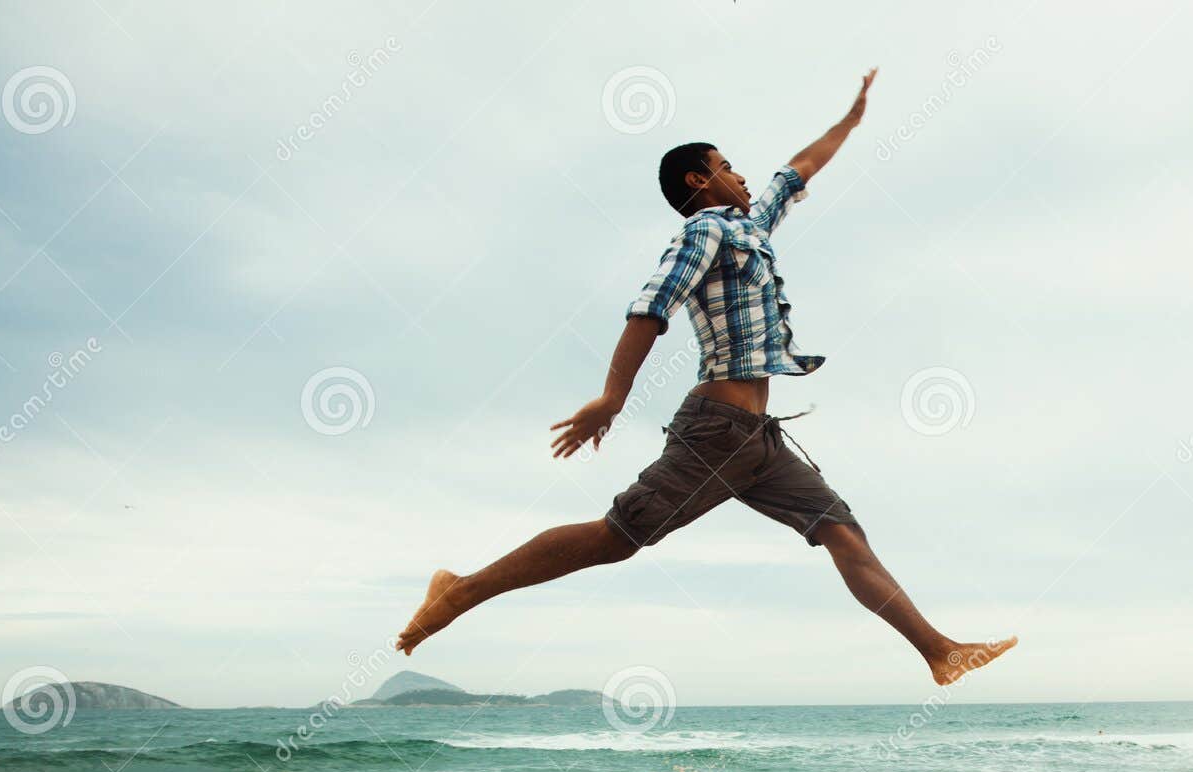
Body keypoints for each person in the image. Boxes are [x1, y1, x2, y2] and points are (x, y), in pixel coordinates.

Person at [397, 70, 1015, 686]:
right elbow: (652, 306)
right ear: (701, 180)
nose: (744, 176)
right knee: (615, 538)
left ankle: (939, 651)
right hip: (716, 433)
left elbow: (798, 169)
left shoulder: (750, 225)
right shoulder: (706, 229)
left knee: (842, 532)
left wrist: (851, 121)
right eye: (729, 166)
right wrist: (613, 398)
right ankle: (461, 591)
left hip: (758, 441)